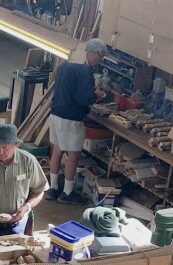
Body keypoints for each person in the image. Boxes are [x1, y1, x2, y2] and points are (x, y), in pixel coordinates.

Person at [46, 38, 107, 205]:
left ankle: (53, 188)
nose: (99, 61)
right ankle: (67, 192)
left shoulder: (66, 64)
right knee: (73, 154)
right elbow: (83, 100)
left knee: (57, 149)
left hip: (56, 113)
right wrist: (96, 95)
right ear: (92, 53)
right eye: (100, 56)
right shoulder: (85, 71)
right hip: (71, 117)